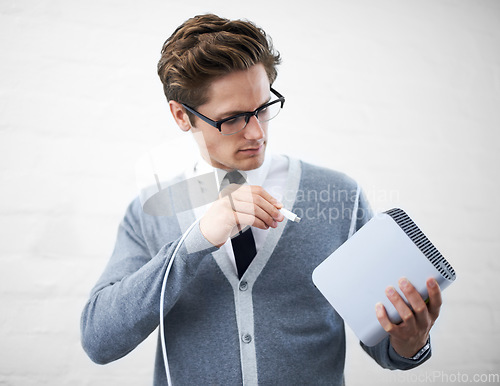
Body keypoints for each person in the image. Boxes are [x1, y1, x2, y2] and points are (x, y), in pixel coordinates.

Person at [81, 14, 442, 385]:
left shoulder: (339, 197)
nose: (257, 132)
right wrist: (197, 240)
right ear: (181, 116)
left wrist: (409, 341)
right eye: (233, 118)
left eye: (264, 107)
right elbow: (99, 341)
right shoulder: (153, 210)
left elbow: (385, 344)